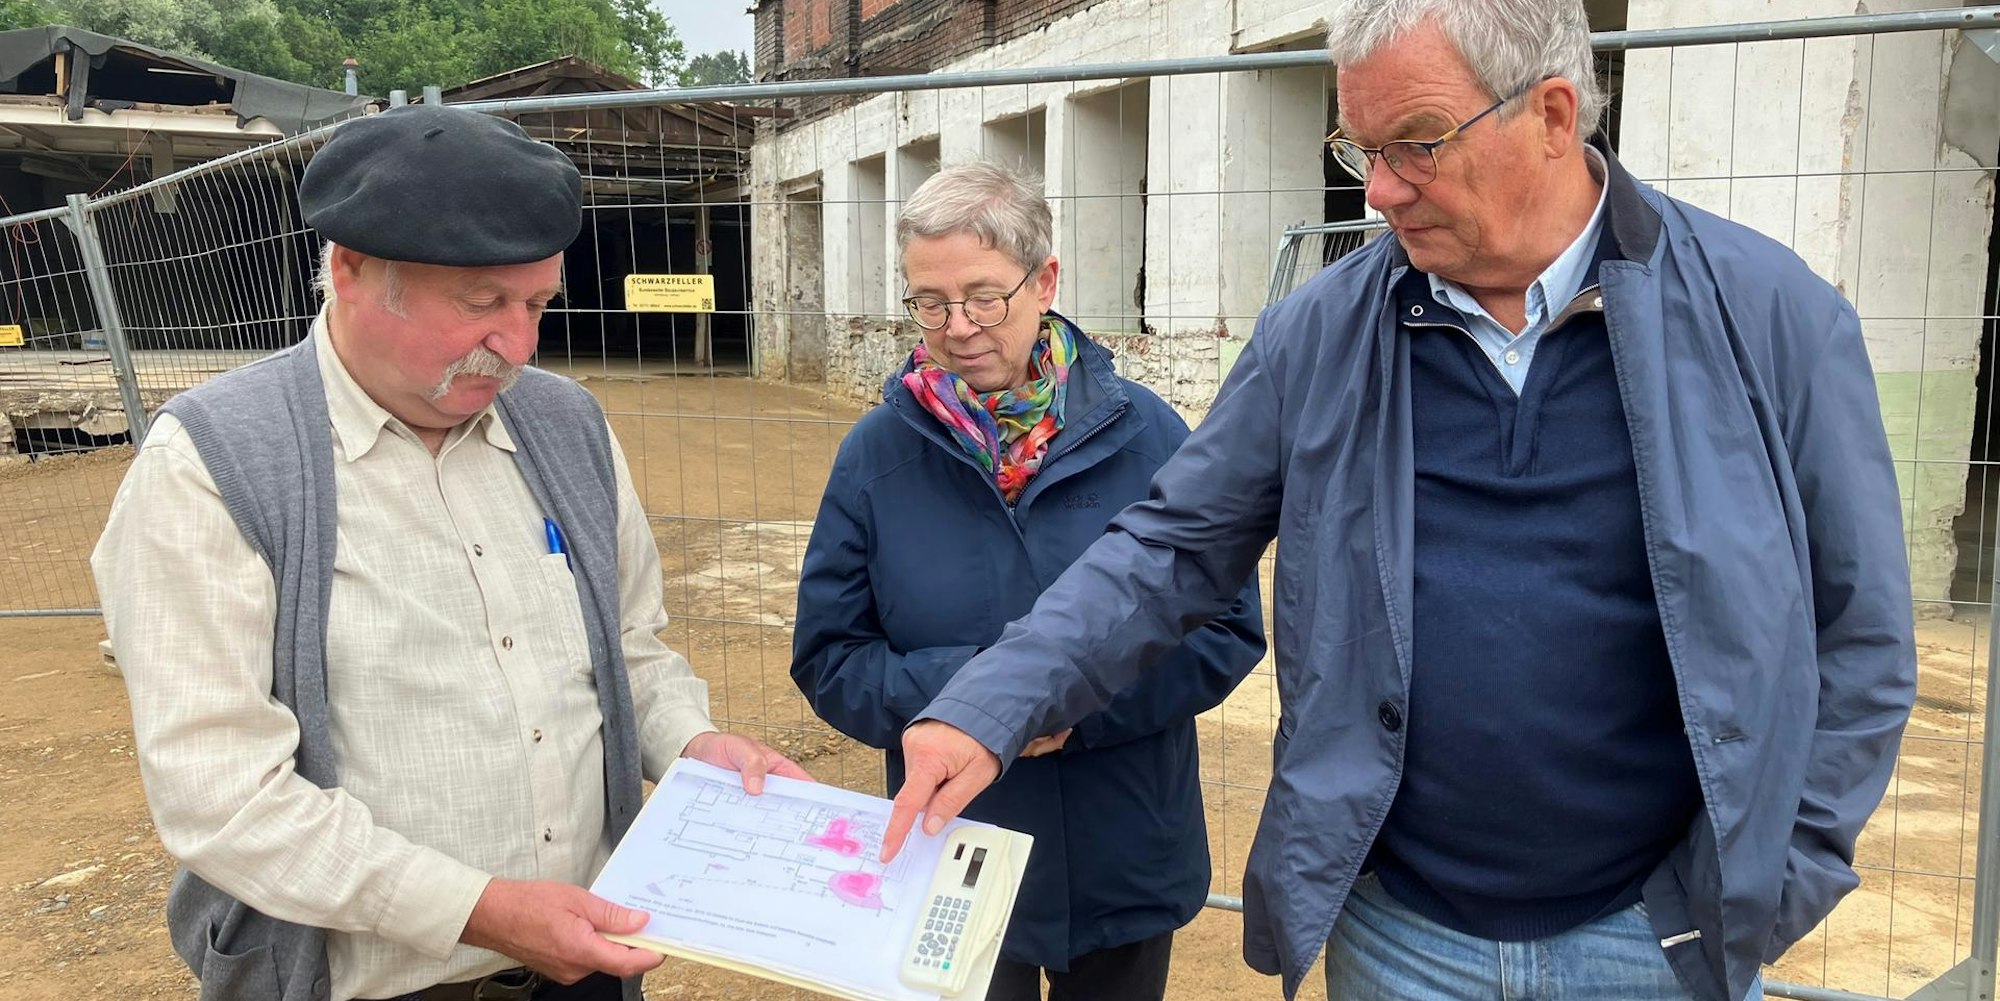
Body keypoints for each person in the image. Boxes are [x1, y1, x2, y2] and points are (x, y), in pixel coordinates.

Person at [879, 3, 1919, 1001]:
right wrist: (992, 702)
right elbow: (1169, 548)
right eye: (1360, 149)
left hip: (1659, 942)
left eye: (1416, 144)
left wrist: (1775, 876)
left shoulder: (1767, 315)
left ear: (1552, 115)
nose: (1378, 190)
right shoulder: (1317, 333)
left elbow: (1861, 634)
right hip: (1399, 934)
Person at [90, 104, 809, 1001]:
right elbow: (222, 793)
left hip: (579, 972)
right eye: (480, 304)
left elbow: (628, 649)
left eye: (537, 304)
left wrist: (693, 741)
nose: (517, 345)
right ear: (351, 270)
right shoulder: (212, 463)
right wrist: (479, 909)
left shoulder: (567, 427)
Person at [790, 161, 1266, 1001]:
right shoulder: (876, 455)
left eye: (983, 297)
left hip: (1125, 848)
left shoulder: (1147, 434)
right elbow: (830, 658)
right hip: (955, 856)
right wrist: (979, 701)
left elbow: (1225, 626)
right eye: (929, 302)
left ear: (1044, 280)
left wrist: (1067, 707)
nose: (957, 327)